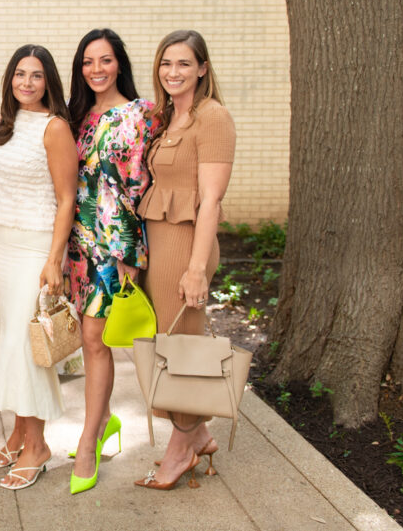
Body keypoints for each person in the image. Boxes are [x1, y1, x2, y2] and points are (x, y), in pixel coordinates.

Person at [134, 30, 235, 491]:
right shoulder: (169, 116)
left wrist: (196, 268)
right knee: (167, 342)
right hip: (161, 244)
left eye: (183, 64)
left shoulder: (211, 117)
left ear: (202, 69)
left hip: (187, 245)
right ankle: (199, 434)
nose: (172, 72)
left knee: (181, 350)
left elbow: (211, 200)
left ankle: (178, 452)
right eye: (165, 64)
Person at [63, 29, 154, 494]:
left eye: (105, 60)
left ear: (120, 63)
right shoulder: (74, 117)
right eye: (87, 62)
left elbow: (142, 185)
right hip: (77, 243)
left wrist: (131, 252)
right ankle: (105, 421)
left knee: (97, 338)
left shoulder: (142, 114)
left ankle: (87, 439)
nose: (96, 69)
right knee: (86, 339)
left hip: (114, 246)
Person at [0, 44, 76, 490]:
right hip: (3, 242)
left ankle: (38, 445)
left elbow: (66, 199)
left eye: (36, 75)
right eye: (19, 73)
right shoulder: (5, 124)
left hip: (37, 248)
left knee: (28, 346)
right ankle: (20, 432)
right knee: (11, 338)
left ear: (48, 82)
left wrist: (53, 259)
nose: (26, 82)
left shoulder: (54, 127)